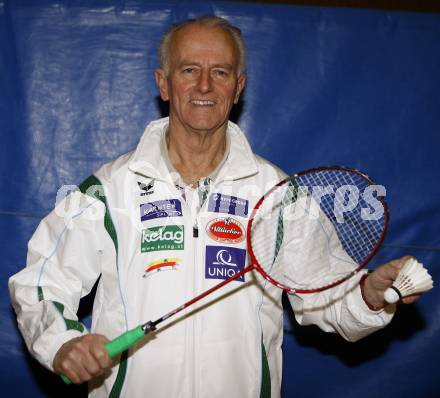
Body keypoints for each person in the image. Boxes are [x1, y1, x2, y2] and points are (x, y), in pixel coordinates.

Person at [9, 15, 418, 398]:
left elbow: (328, 295)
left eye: (219, 72)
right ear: (164, 84)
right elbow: (40, 284)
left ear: (237, 88)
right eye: (189, 70)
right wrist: (63, 343)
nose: (204, 86)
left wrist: (368, 295)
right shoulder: (109, 188)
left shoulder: (277, 193)